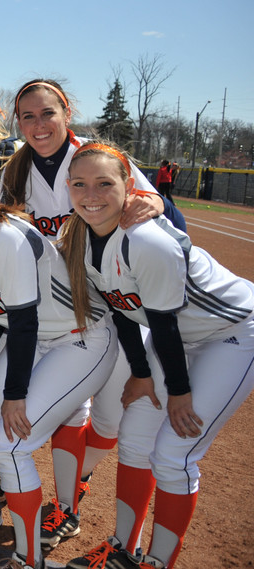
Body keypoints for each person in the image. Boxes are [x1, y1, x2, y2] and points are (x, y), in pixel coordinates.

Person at [0, 79, 186, 552]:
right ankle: (65, 507)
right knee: (72, 410)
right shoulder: (15, 172)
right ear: (18, 122)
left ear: (67, 112)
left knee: (110, 422)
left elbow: (174, 224)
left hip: (120, 306)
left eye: (48, 113)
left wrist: (158, 202)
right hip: (65, 315)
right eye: (27, 116)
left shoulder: (97, 158)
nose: (39, 125)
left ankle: (77, 483)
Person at [58, 142, 254, 569]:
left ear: (129, 186)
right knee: (134, 439)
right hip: (177, 338)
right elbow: (123, 310)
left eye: (104, 183)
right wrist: (142, 373)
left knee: (174, 453)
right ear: (68, 188)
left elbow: (163, 325)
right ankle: (124, 549)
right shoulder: (82, 236)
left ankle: (158, 562)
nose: (91, 194)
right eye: (79, 184)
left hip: (232, 332)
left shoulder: (146, 240)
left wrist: (178, 392)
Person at [0, 151, 117, 569]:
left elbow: (24, 322)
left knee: (10, 445)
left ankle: (29, 559)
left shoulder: (6, 238)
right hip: (33, 342)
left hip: (80, 340)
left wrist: (11, 396)